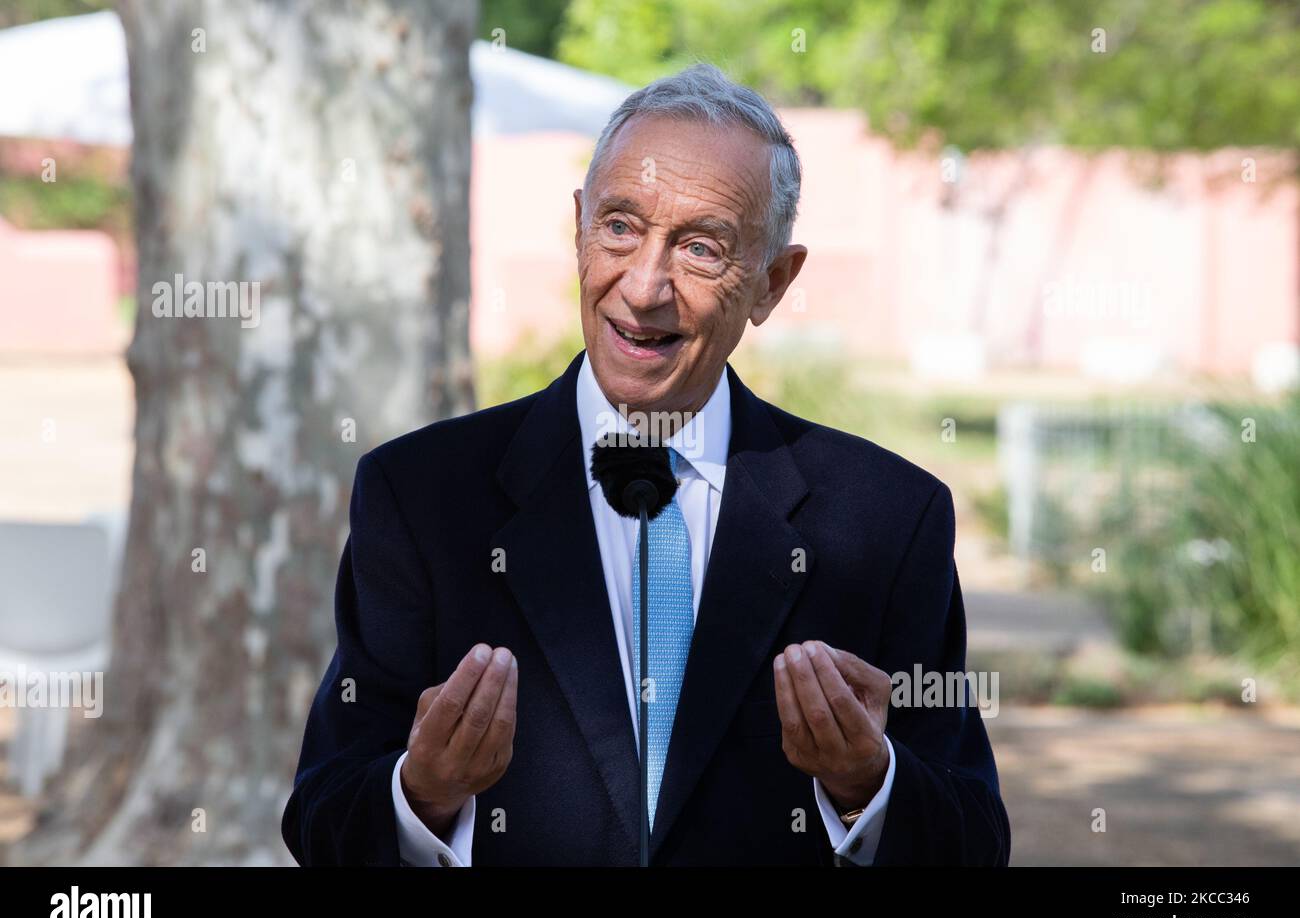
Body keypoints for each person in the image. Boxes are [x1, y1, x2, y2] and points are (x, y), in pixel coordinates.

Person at [282, 63, 1009, 867]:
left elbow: (972, 842)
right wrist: (424, 794)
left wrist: (867, 784)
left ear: (771, 283)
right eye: (621, 227)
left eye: (701, 248)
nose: (645, 286)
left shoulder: (888, 518)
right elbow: (323, 821)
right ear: (579, 228)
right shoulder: (419, 498)